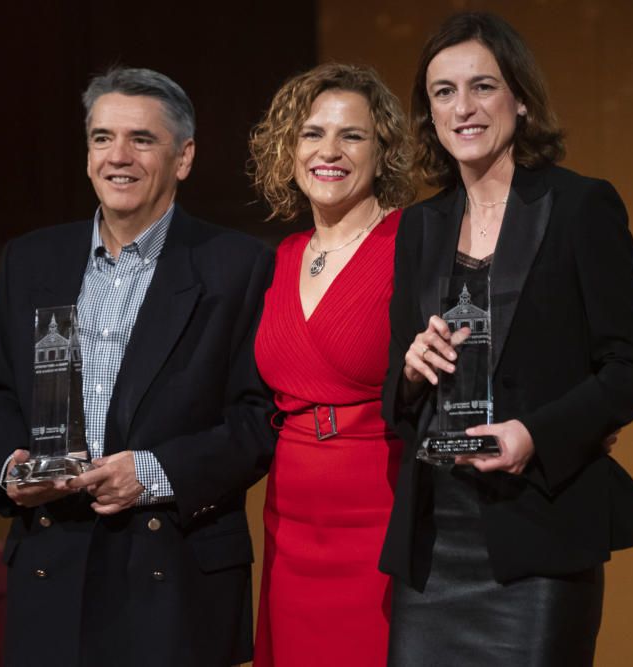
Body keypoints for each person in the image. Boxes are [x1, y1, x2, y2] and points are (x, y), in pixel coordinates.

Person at [0, 67, 275, 667]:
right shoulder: (30, 260)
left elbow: (258, 420)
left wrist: (153, 473)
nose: (118, 157)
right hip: (52, 564)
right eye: (103, 138)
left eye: (142, 139)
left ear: (183, 157)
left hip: (172, 576)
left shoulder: (237, 267)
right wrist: (11, 468)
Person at [379, 13, 633, 666]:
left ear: (521, 98)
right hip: (434, 541)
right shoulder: (419, 226)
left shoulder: (580, 207)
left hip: (539, 533)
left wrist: (535, 433)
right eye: (443, 92)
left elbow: (631, 367)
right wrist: (413, 370)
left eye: (483, 86)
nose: (463, 107)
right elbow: (399, 395)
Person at [247, 63, 416, 666]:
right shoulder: (282, 258)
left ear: (383, 151)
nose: (329, 151)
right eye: (312, 134)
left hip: (381, 513)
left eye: (352, 135)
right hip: (290, 521)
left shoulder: (412, 245)